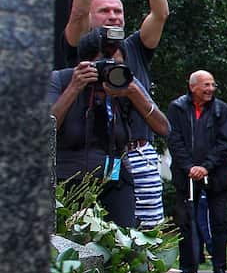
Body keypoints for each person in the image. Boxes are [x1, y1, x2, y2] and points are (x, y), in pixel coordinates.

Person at [64, 0, 169, 227]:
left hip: (138, 152)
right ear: (91, 16)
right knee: (84, 234)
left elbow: (160, 14)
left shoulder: (134, 46)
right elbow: (78, 12)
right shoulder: (82, 44)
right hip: (88, 156)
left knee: (146, 235)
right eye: (105, 11)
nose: (113, 16)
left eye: (117, 11)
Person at [49, 27, 170, 226]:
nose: (109, 71)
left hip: (115, 181)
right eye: (103, 65)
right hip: (67, 182)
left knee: (123, 239)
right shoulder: (62, 80)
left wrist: (133, 92)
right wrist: (74, 88)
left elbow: (164, 128)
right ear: (85, 63)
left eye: (117, 64)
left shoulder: (125, 83)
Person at [166, 71, 227, 273]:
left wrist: (205, 167)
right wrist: (189, 167)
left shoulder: (221, 109)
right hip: (185, 175)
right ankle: (188, 270)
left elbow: (224, 142)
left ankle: (220, 269)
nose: (210, 89)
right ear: (193, 86)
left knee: (219, 221)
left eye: (213, 85)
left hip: (216, 174)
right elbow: (174, 139)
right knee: (185, 221)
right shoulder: (177, 107)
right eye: (206, 85)